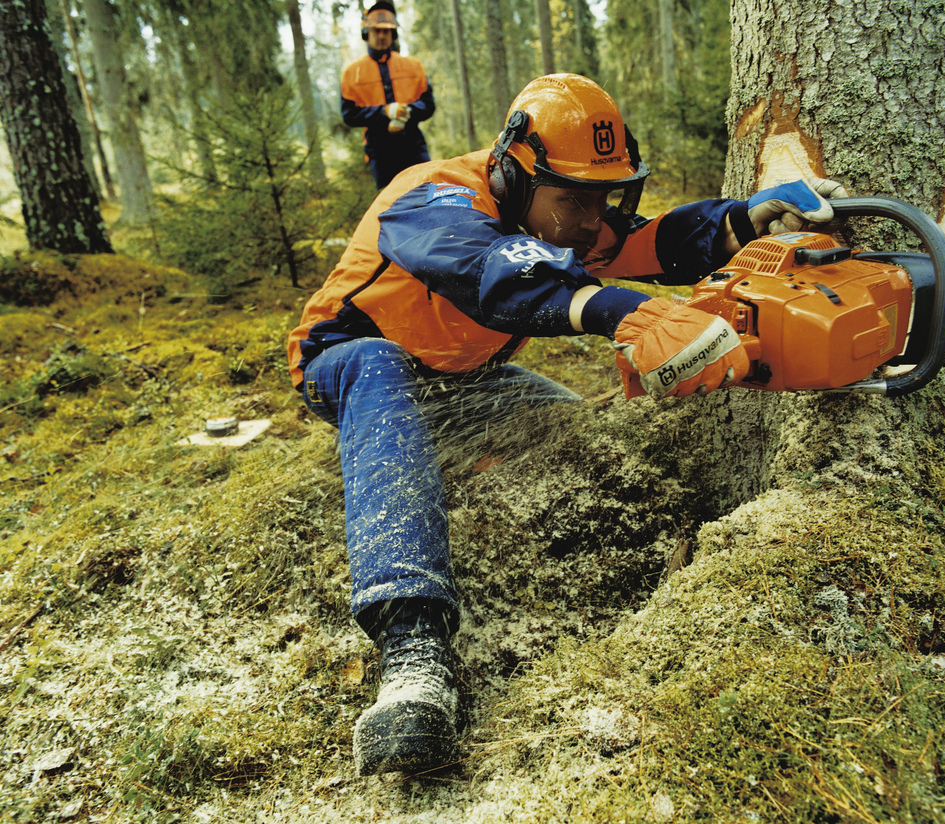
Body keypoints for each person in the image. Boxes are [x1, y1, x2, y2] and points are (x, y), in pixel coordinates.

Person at [287, 73, 847, 776]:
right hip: (347, 368)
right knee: (375, 363)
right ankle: (412, 645)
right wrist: (619, 311)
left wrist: (743, 220)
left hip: (468, 381)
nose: (591, 219)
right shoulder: (429, 198)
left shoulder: (559, 217)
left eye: (603, 197)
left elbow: (650, 243)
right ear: (517, 174)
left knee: (573, 430)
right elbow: (493, 269)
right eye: (575, 200)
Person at [341, 0, 434, 189]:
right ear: (367, 33)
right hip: (380, 150)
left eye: (387, 31)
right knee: (390, 204)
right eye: (377, 31)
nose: (382, 36)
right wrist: (384, 112)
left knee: (426, 195)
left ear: (393, 34)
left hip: (413, 144)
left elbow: (428, 104)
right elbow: (349, 114)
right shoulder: (353, 73)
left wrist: (408, 111)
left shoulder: (413, 66)